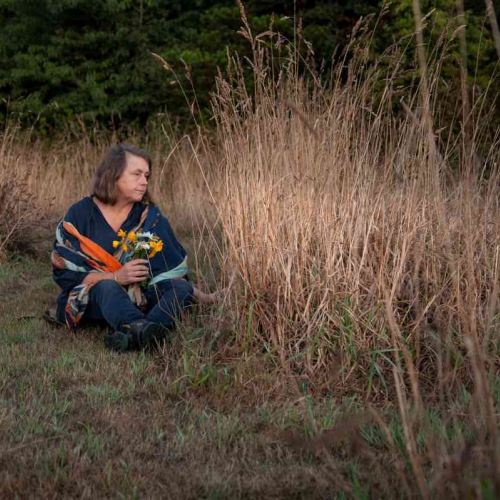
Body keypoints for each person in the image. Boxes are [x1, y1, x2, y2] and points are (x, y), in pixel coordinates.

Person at [51, 143, 221, 352]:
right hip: (95, 298)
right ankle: (148, 329)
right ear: (113, 174)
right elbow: (65, 272)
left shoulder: (149, 218)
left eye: (147, 176)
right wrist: (116, 277)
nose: (144, 182)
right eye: (137, 174)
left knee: (181, 288)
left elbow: (169, 273)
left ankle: (134, 333)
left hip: (141, 298)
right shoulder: (81, 213)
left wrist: (205, 298)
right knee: (107, 287)